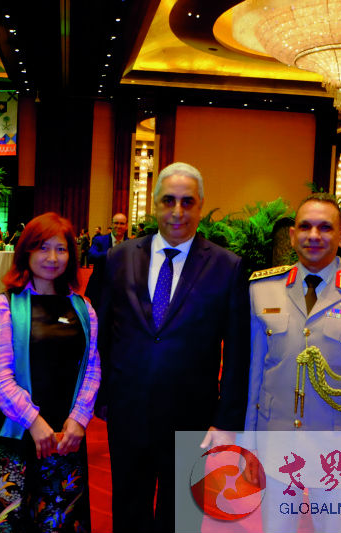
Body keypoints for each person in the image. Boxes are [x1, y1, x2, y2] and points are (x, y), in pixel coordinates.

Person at [97, 162, 250, 532]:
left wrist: (227, 420)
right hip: (128, 411)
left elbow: (237, 351)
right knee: (129, 510)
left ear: (200, 206)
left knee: (181, 517)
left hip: (191, 416)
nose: (177, 211)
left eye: (187, 202)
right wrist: (102, 396)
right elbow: (101, 333)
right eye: (168, 201)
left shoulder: (227, 267)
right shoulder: (118, 258)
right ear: (154, 204)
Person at [245, 193, 341, 533]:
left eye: (325, 228)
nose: (313, 235)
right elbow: (255, 375)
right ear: (292, 235)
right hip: (277, 444)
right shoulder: (263, 288)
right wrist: (249, 446)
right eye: (305, 227)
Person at [0, 212, 100, 532]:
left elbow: (92, 367)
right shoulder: (4, 306)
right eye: (43, 248)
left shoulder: (83, 307)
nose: (52, 258)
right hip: (15, 434)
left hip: (65, 439)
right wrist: (34, 421)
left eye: (61, 249)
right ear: (26, 252)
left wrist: (79, 418)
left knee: (56, 522)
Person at [85, 213, 127, 310]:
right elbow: (91, 256)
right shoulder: (99, 240)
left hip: (121, 291)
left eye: (122, 224)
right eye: (116, 223)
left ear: (126, 226)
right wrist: (112, 252)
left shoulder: (130, 243)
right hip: (100, 289)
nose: (118, 226)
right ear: (111, 225)